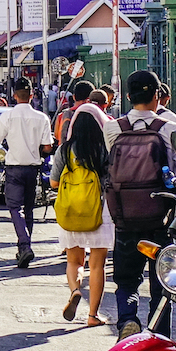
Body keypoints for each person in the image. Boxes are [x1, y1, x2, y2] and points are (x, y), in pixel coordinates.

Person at [103, 71, 176, 337]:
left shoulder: (113, 129)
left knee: (126, 279)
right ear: (157, 96)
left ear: (129, 96)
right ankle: (158, 337)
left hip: (124, 215)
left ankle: (127, 321)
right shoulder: (170, 128)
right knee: (161, 283)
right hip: (160, 218)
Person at [52, 109, 112, 328]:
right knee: (97, 265)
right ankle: (93, 315)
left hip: (70, 209)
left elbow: (54, 183)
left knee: (74, 261)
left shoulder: (64, 150)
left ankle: (75, 290)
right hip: (98, 210)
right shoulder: (104, 150)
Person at [0, 77, 53, 268]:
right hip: (32, 169)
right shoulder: (42, 118)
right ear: (31, 96)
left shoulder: (8, 116)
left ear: (14, 96)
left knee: (15, 208)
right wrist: (38, 149)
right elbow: (48, 147)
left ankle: (24, 246)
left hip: (14, 168)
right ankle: (25, 246)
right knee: (29, 209)